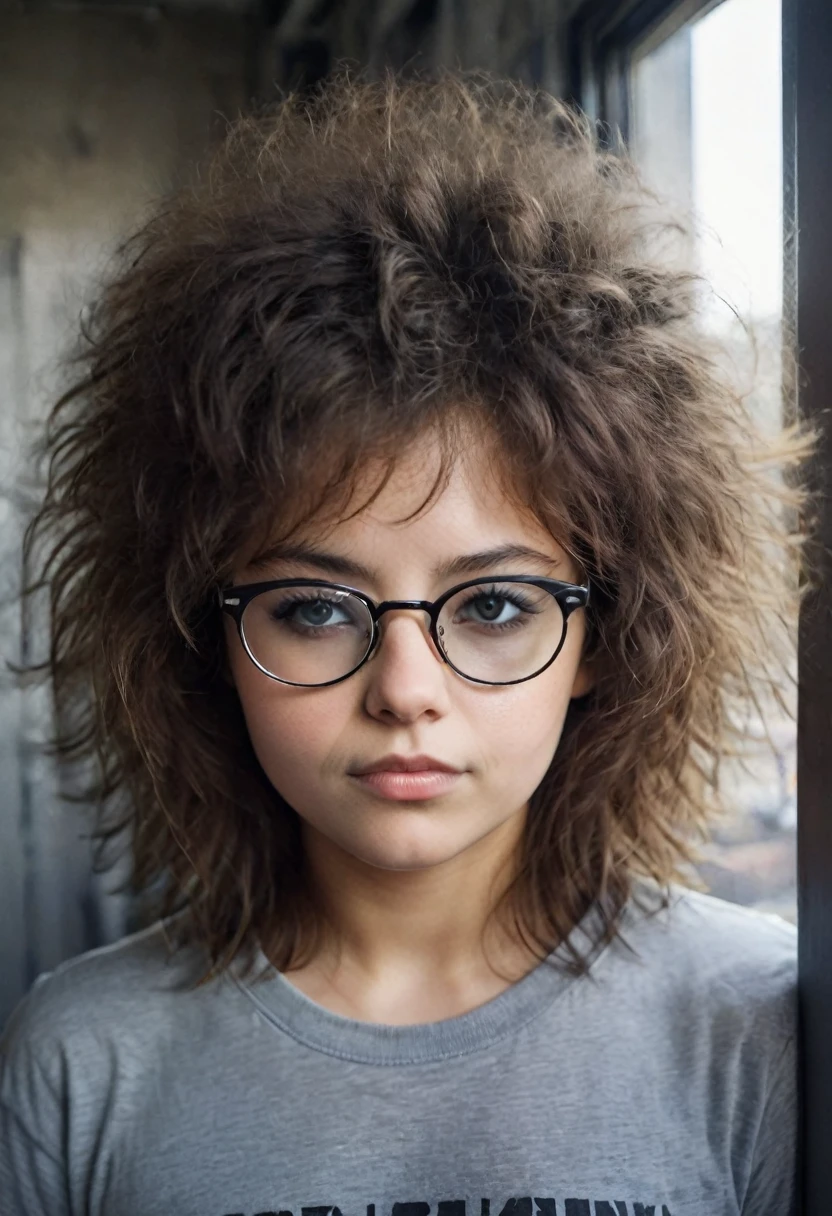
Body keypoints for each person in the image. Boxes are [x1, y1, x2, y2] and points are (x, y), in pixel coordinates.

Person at [0, 67, 819, 1216]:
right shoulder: (86, 1060)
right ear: (206, 638)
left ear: (601, 637)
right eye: (316, 608)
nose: (404, 690)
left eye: (491, 606)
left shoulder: (759, 1030)